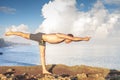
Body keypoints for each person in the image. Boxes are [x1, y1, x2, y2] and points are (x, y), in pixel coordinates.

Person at [5, 31, 91, 74]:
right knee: (24, 35)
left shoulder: (65, 39)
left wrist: (81, 40)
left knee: (42, 55)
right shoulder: (62, 35)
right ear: (68, 37)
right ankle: (11, 32)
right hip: (40, 36)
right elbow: (74, 39)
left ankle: (44, 70)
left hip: (42, 40)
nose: (70, 42)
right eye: (70, 40)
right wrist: (84, 38)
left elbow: (74, 40)